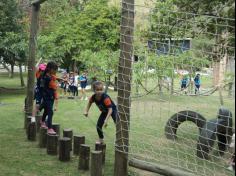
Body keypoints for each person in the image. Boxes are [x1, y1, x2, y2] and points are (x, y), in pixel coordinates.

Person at [39, 61, 59, 134]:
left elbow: (55, 78)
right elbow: (43, 88)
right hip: (47, 97)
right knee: (50, 111)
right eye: (55, 69)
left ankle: (42, 121)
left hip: (51, 97)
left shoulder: (50, 76)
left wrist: (60, 79)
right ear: (50, 69)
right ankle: (49, 128)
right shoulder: (45, 77)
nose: (55, 71)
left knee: (46, 110)